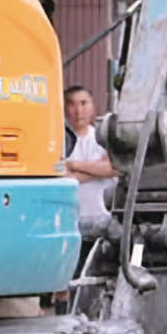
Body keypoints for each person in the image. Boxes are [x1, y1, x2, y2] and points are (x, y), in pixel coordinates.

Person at [61, 83, 115, 236]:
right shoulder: (59, 141)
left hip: (103, 218)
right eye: (72, 104)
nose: (79, 111)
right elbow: (61, 176)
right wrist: (99, 170)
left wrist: (73, 165)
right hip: (70, 221)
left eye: (83, 103)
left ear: (92, 106)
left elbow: (114, 167)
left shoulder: (102, 137)